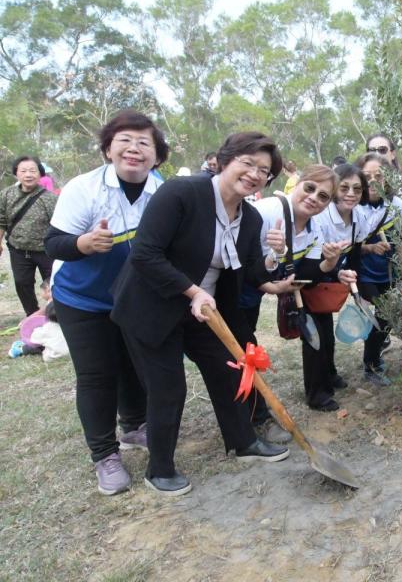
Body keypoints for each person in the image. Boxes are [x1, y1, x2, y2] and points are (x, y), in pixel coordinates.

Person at [110, 131, 295, 496]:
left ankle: (243, 441)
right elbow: (145, 254)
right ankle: (159, 469)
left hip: (205, 311)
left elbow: (253, 274)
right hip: (152, 306)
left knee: (230, 371)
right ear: (224, 160)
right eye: (248, 163)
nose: (256, 174)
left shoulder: (251, 219)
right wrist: (192, 291)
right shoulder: (182, 193)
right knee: (169, 388)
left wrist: (274, 255)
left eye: (264, 171)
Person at [43, 110, 162, 495]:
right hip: (81, 297)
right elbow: (53, 243)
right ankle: (105, 455)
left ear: (156, 155)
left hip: (130, 297)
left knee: (132, 361)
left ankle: (134, 427)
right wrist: (83, 244)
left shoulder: (159, 190)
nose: (134, 148)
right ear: (108, 148)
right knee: (97, 375)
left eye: (144, 142)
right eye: (124, 140)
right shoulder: (83, 188)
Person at [245, 164, 344, 414]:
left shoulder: (315, 226)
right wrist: (271, 268)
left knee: (318, 330)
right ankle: (253, 416)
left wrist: (330, 262)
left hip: (267, 288)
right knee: (242, 348)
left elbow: (307, 273)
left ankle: (315, 393)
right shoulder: (266, 211)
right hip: (239, 289)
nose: (313, 198)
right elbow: (238, 261)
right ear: (297, 183)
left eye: (323, 196)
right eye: (310, 188)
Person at [318, 163, 379, 387]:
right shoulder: (321, 216)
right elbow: (315, 257)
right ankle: (319, 389)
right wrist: (336, 272)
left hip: (336, 275)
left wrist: (356, 285)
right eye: (344, 188)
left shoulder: (359, 217)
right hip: (315, 274)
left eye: (357, 189)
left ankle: (330, 374)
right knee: (319, 332)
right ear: (334, 188)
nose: (351, 194)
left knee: (326, 332)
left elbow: (354, 251)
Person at [356, 152, 402, 381]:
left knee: (387, 317)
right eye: (367, 176)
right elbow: (348, 246)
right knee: (380, 315)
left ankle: (374, 359)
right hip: (364, 274)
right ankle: (371, 364)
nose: (373, 180)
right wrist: (368, 248)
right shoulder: (354, 207)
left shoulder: (396, 204)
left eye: (379, 175)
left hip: (390, 273)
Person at [0, 156, 57, 315]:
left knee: (53, 284)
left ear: (40, 174)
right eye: (23, 171)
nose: (28, 174)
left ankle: (55, 315)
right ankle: (32, 316)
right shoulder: (6, 195)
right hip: (18, 250)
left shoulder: (49, 198)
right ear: (16, 174)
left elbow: (59, 224)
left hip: (46, 251)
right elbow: (1, 220)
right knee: (22, 283)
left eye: (33, 170)